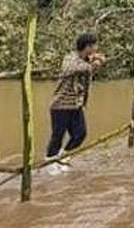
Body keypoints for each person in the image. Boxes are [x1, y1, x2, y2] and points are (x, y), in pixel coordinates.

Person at [46, 33, 105, 173]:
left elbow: (97, 62)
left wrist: (96, 61)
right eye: (94, 45)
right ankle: (50, 162)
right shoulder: (70, 58)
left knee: (80, 134)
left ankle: (63, 157)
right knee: (57, 135)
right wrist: (93, 64)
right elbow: (71, 69)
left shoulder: (87, 60)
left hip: (76, 105)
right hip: (61, 105)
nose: (96, 48)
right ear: (88, 47)